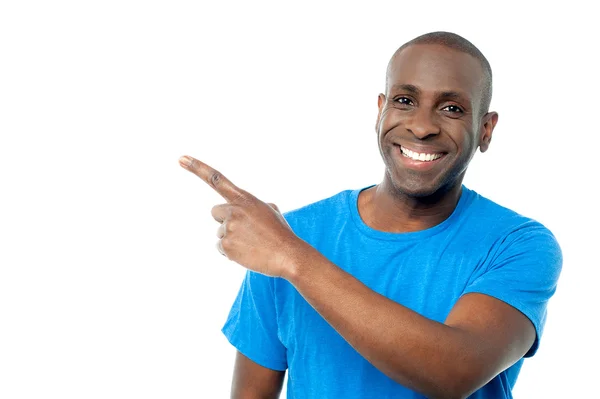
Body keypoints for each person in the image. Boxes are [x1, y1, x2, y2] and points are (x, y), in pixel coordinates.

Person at [179, 31, 562, 399]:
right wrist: (286, 250)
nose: (422, 126)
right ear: (381, 110)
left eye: (452, 109)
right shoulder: (289, 235)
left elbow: (453, 373)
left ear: (486, 129)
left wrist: (292, 258)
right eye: (405, 100)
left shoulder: (518, 245)